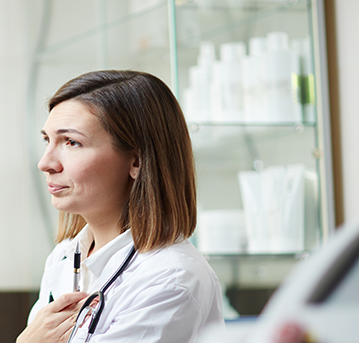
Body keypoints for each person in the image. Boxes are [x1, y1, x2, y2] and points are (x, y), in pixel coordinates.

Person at [16, 70, 224, 343]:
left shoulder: (171, 278)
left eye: (71, 142)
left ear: (137, 162)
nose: (46, 163)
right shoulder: (64, 257)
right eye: (47, 140)